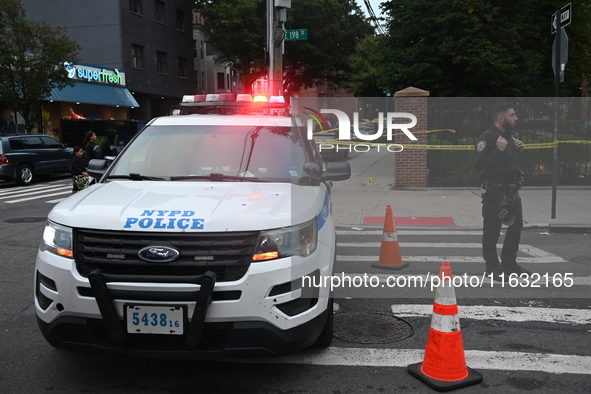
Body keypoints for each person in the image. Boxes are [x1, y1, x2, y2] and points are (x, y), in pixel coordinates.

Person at [474, 102, 531, 280]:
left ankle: (508, 262)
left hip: (512, 192)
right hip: (495, 192)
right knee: (492, 230)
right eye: (512, 115)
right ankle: (492, 267)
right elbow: (479, 164)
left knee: (515, 227)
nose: (516, 118)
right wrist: (498, 150)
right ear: (501, 118)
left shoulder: (510, 137)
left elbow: (509, 163)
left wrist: (518, 149)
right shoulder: (487, 138)